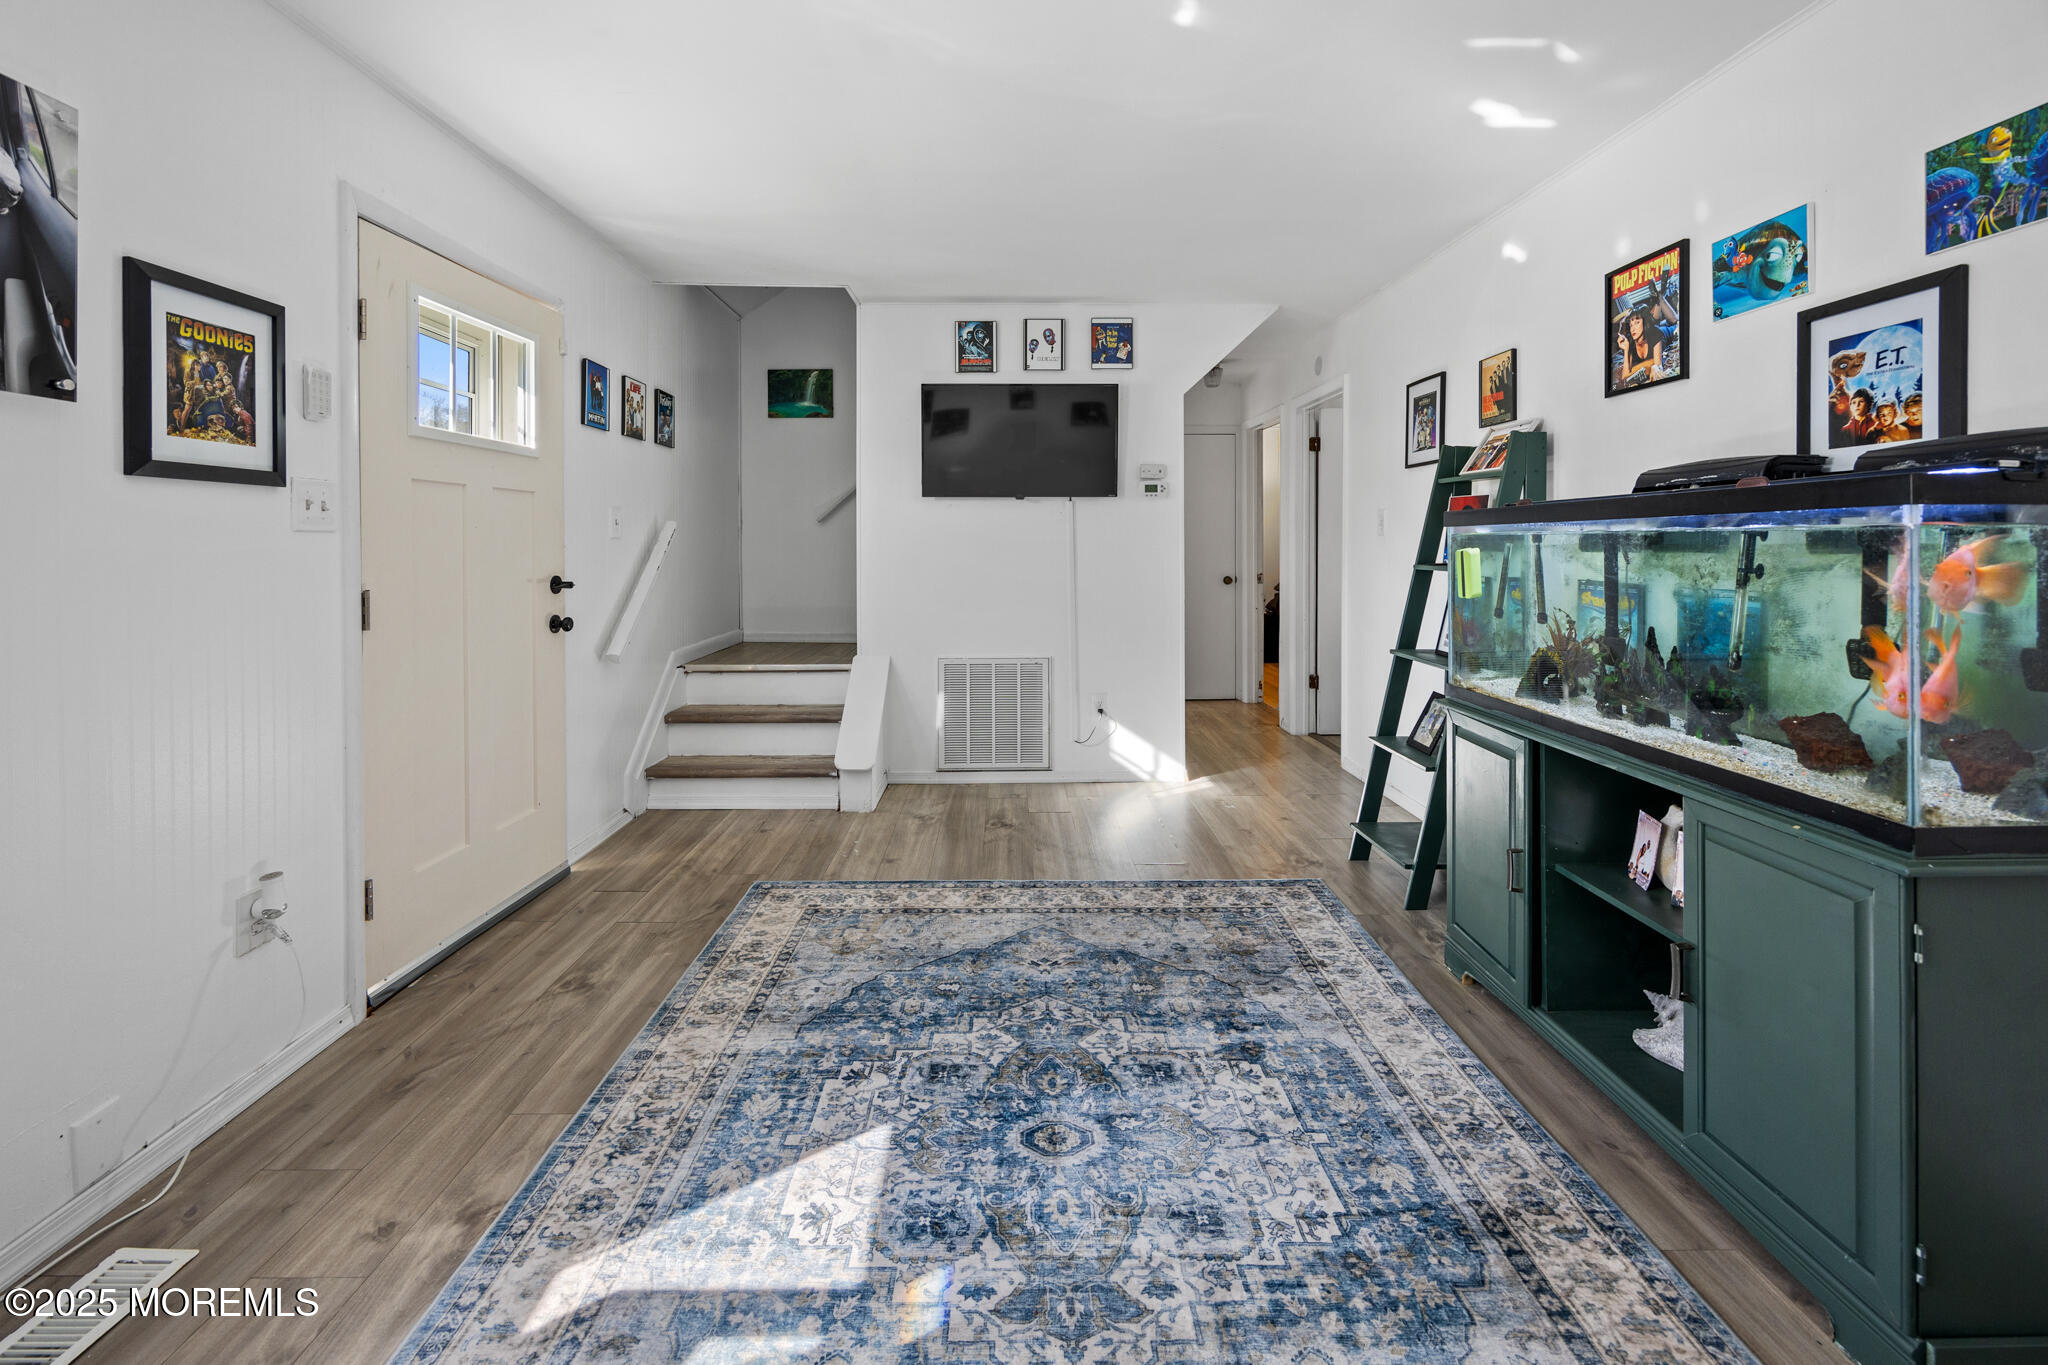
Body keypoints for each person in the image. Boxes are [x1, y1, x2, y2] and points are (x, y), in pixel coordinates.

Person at [1616, 305, 1661, 386]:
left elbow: (1658, 364)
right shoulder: (1630, 342)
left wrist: (1636, 369)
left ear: (1645, 322)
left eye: (1637, 323)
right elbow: (1625, 377)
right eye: (1631, 325)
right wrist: (1626, 349)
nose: (1633, 329)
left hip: (1666, 332)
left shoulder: (1655, 333)